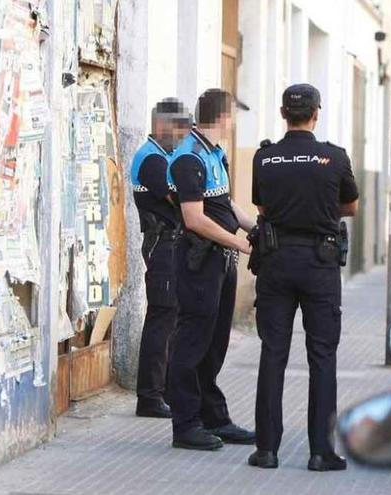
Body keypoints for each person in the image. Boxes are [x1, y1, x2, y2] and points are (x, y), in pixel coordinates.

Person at [247, 84, 359, 472]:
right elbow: (352, 206)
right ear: (317, 113)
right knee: (322, 357)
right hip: (320, 263)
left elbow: (261, 205)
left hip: (275, 261)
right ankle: (320, 452)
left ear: (283, 113)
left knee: (272, 354)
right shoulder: (334, 157)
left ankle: (266, 450)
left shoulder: (264, 158)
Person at [166, 89, 257, 451]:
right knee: (192, 344)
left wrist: (257, 229)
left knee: (215, 343)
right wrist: (238, 244)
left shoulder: (213, 154)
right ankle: (185, 425)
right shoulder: (189, 156)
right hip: (198, 262)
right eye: (233, 116)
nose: (234, 124)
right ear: (222, 117)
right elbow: (194, 219)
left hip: (220, 263)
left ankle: (214, 418)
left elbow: (225, 204)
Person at [131, 98, 190, 418]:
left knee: (171, 318)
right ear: (161, 125)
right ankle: (149, 397)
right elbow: (180, 198)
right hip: (162, 245)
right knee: (162, 317)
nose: (183, 134)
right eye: (178, 126)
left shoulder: (164, 156)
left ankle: (163, 391)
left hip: (171, 245)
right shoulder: (152, 159)